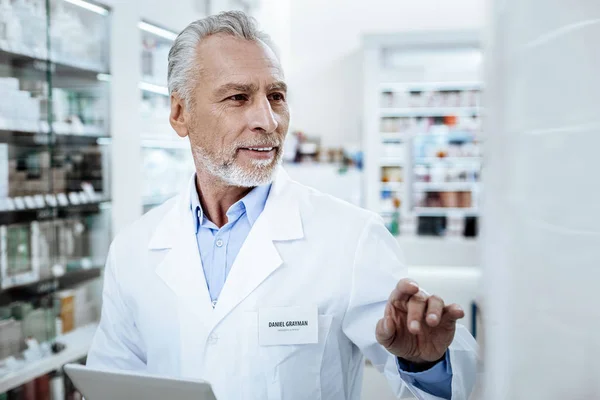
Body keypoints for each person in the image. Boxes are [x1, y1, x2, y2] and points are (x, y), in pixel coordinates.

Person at [87, 11, 477, 399]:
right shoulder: (134, 249)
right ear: (179, 113)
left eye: (276, 96)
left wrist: (425, 365)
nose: (268, 120)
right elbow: (112, 380)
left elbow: (437, 378)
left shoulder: (350, 237)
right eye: (238, 98)